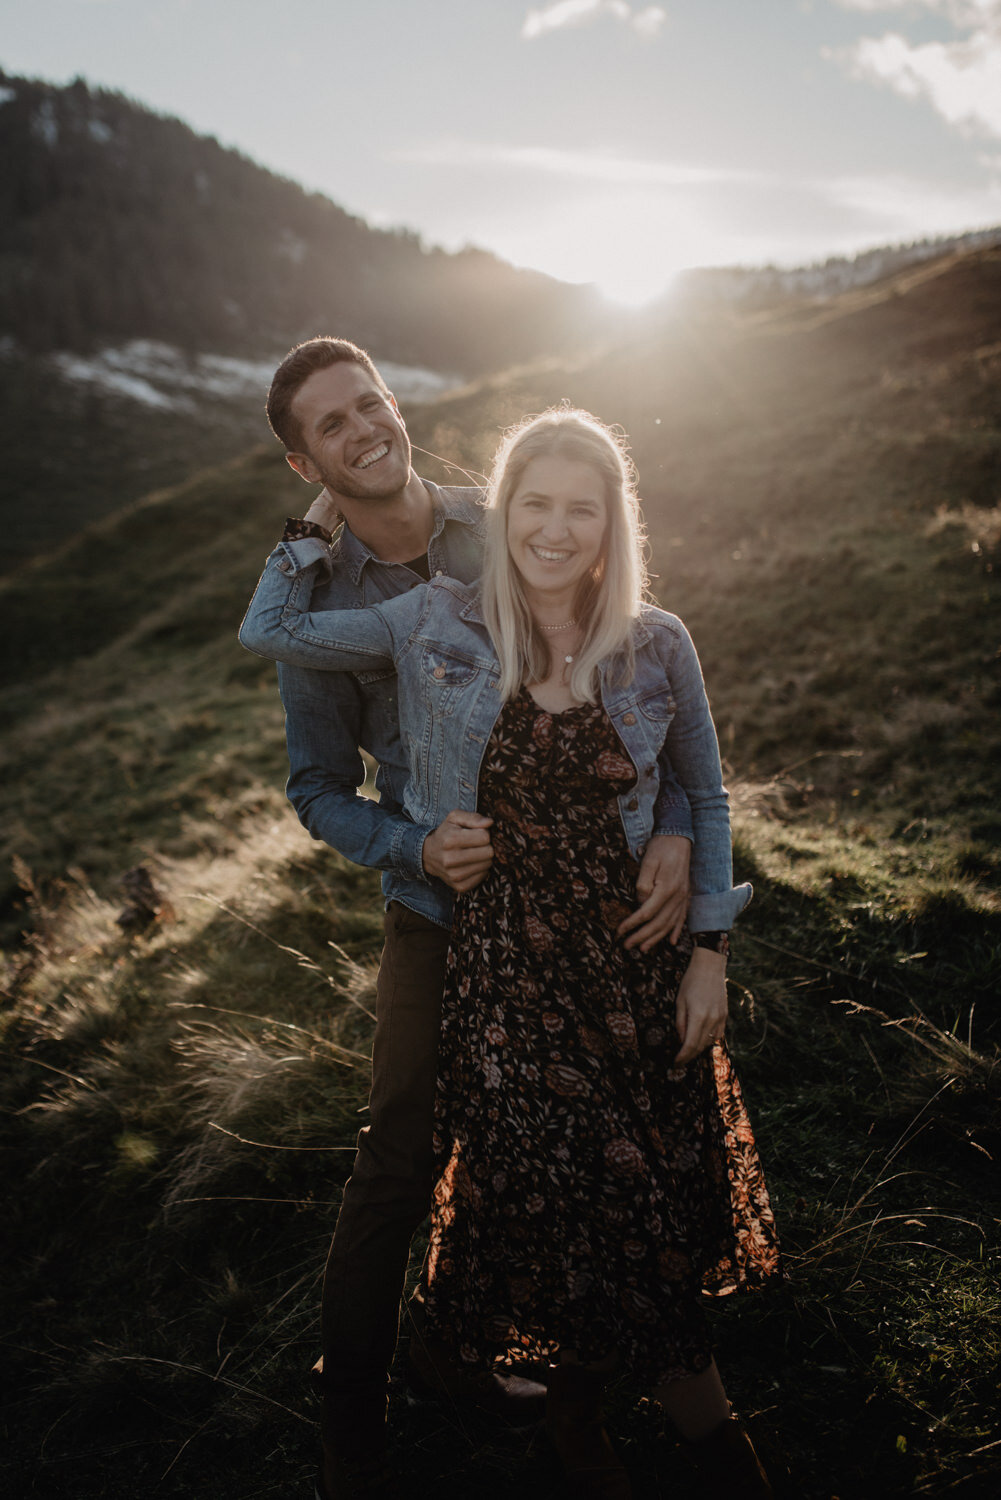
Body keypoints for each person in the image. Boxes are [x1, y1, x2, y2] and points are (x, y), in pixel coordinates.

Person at [240, 405, 781, 1498]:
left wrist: (708, 941)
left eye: (582, 508)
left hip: (632, 962)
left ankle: (577, 1406)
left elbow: (703, 788)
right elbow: (275, 634)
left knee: (644, 1188)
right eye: (533, 503)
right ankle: (680, 1432)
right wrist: (305, 536)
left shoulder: (655, 640)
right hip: (497, 970)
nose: (555, 527)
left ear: (611, 523)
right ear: (500, 514)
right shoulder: (431, 621)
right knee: (559, 1185)